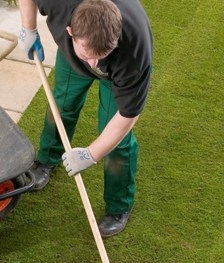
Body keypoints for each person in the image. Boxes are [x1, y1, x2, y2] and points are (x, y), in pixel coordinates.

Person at [18, 0, 153, 237]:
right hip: (72, 57)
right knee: (60, 107)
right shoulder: (58, 3)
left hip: (117, 72)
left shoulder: (134, 51)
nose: (94, 65)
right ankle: (47, 160)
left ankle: (118, 207)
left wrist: (90, 154)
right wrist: (28, 28)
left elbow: (128, 115)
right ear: (69, 30)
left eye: (101, 56)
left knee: (116, 142)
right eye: (89, 55)